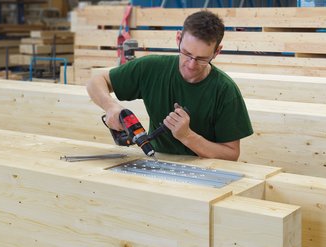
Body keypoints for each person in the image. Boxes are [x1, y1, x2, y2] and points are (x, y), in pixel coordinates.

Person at [86, 10, 253, 161]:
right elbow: (96, 81)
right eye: (186, 53)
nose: (191, 65)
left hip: (205, 173)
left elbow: (231, 154)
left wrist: (187, 136)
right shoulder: (152, 68)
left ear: (217, 52)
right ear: (178, 38)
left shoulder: (224, 90)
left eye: (202, 59)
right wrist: (110, 107)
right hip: (156, 162)